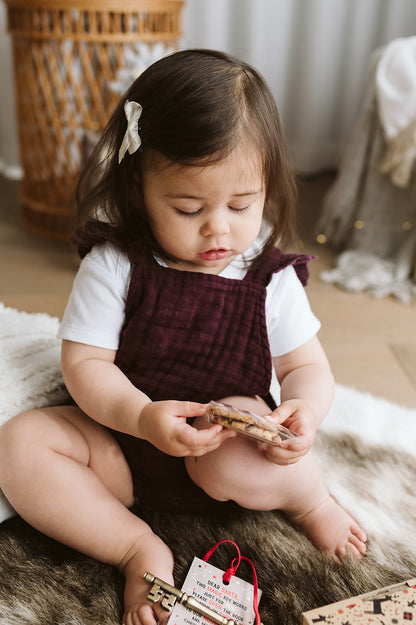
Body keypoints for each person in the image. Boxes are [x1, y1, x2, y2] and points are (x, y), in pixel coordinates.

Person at [0, 49, 366, 625]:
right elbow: (86, 365)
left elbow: (306, 368)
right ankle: (135, 547)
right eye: (189, 207)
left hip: (227, 450)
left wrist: (306, 412)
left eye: (242, 204)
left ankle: (309, 498)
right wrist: (142, 418)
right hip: (122, 442)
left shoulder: (267, 278)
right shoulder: (116, 263)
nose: (219, 227)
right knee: (21, 443)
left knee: (245, 427)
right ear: (139, 186)